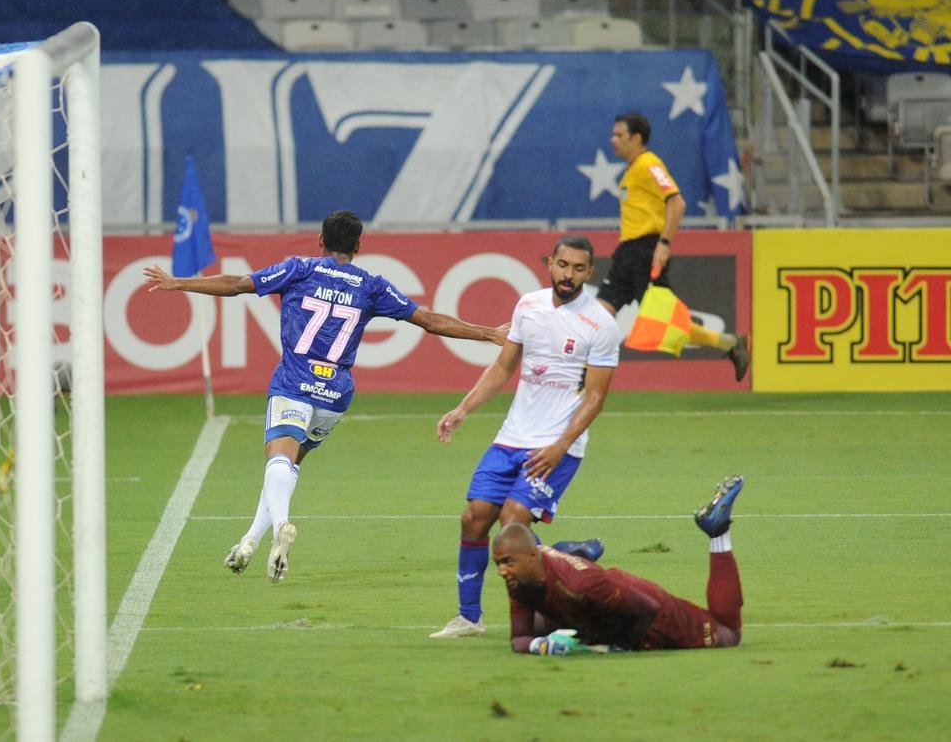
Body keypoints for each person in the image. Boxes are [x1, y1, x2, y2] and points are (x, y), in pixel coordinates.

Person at [143, 209, 507, 583]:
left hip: (293, 383)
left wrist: (179, 283)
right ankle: (250, 540)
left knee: (278, 460)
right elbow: (430, 321)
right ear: (359, 246)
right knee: (288, 465)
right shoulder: (372, 286)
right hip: (334, 394)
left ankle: (283, 524)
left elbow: (237, 284)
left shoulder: (300, 269)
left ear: (320, 240)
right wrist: (489, 333)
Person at [430, 235, 620, 639]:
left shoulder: (600, 324)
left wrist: (559, 447)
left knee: (512, 522)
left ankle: (549, 597)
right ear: (550, 263)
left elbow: (597, 396)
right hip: (512, 437)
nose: (569, 275)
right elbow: (502, 367)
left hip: (557, 444)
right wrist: (463, 409)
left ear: (590, 272)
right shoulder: (528, 306)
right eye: (563, 265)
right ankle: (470, 618)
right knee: (473, 519)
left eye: (578, 268)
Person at [493, 475, 745, 655]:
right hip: (591, 606)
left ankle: (718, 532)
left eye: (507, 562)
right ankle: (575, 557)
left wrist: (615, 647)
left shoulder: (580, 583)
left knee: (728, 634)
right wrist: (541, 646)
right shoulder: (519, 575)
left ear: (533, 556)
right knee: (541, 623)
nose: (501, 571)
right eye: (498, 563)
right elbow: (519, 639)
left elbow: (648, 609)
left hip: (652, 617)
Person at [604, 111, 749, 381]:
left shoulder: (649, 164)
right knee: (598, 314)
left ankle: (730, 343)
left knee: (667, 323)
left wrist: (664, 243)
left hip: (646, 251)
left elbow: (677, 202)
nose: (612, 140)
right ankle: (579, 379)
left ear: (636, 138)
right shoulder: (633, 168)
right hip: (627, 253)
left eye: (619, 135)